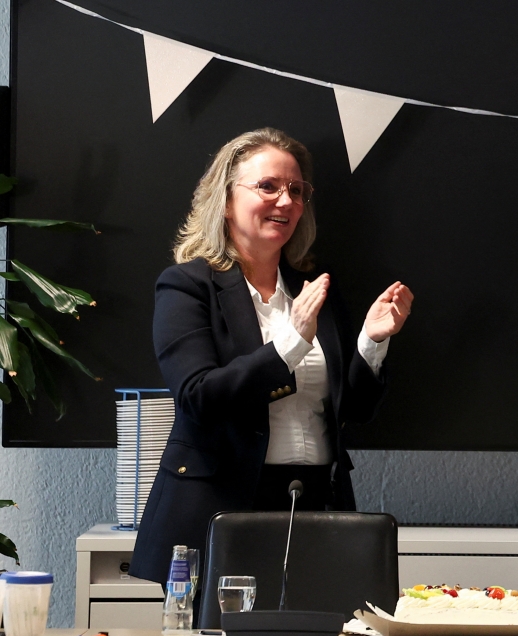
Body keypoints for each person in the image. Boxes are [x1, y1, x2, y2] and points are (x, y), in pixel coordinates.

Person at [130, 128, 413, 584]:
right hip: (220, 510)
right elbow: (198, 397)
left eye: (297, 190)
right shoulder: (186, 285)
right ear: (224, 201)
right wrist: (290, 343)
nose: (287, 202)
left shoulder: (314, 287)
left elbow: (354, 410)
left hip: (319, 503)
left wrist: (371, 342)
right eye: (268, 187)